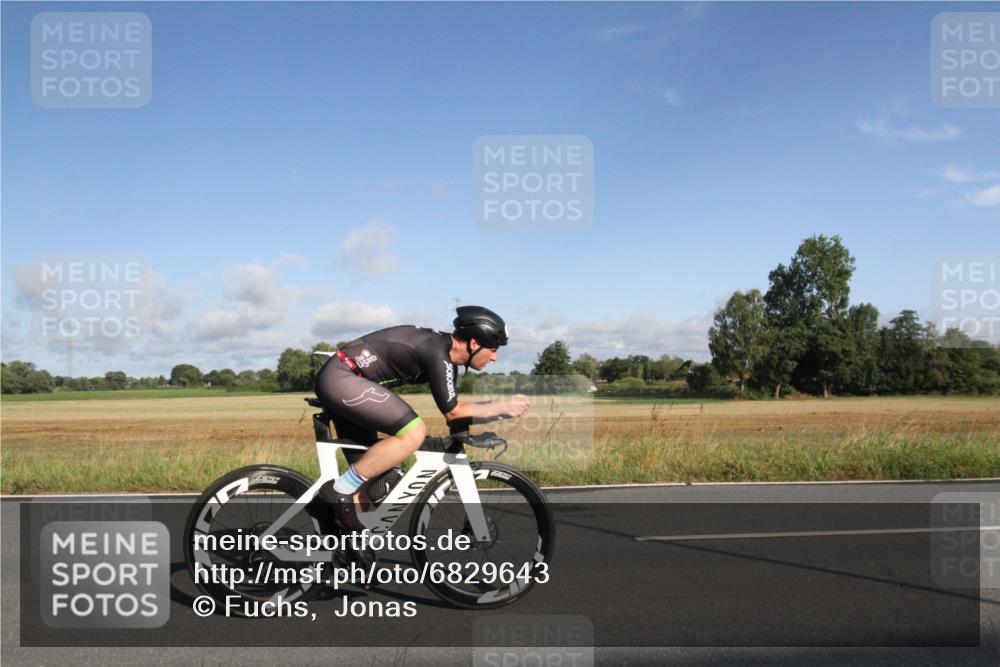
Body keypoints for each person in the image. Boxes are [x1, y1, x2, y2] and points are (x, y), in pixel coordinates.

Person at [314, 305, 530, 530]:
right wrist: (500, 406)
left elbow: (455, 418)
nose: (494, 357)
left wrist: (473, 432)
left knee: (366, 487)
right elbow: (454, 410)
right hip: (342, 378)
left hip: (347, 381)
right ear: (474, 344)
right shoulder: (436, 351)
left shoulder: (446, 359)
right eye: (493, 349)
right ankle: (337, 490)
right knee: (414, 432)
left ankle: (345, 555)